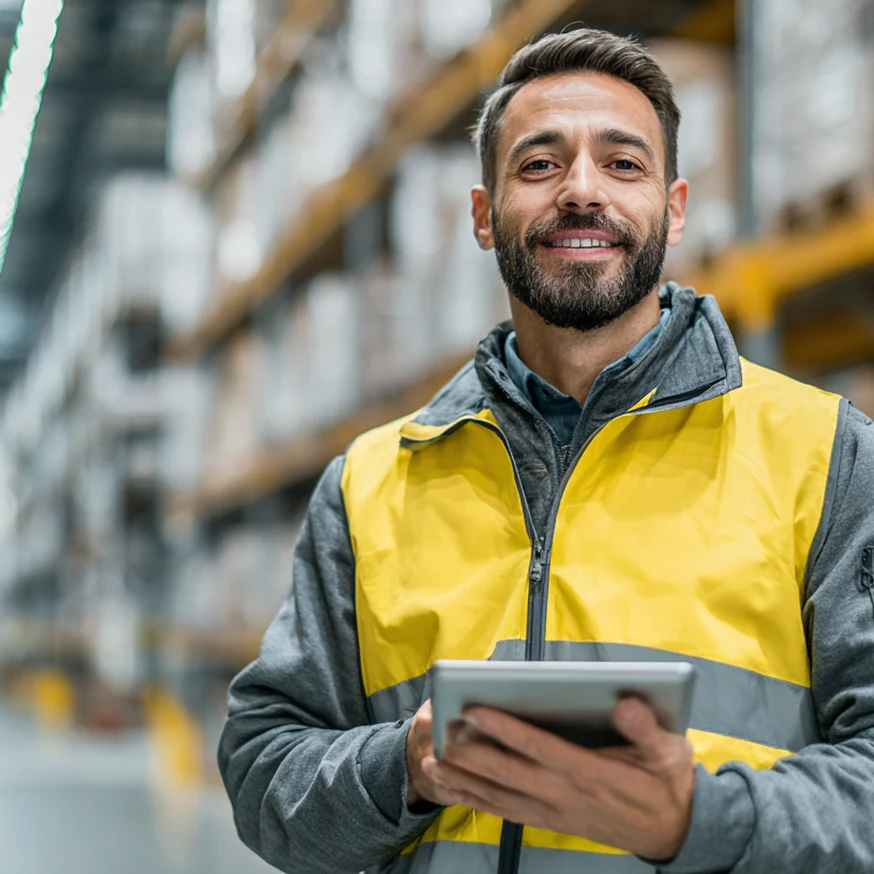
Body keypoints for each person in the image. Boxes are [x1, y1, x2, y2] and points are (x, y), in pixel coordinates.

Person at [218, 28, 874, 874]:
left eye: (623, 164)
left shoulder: (825, 454)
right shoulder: (371, 483)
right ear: (485, 217)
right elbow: (262, 770)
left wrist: (700, 819)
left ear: (673, 208)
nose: (581, 191)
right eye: (539, 165)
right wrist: (407, 768)